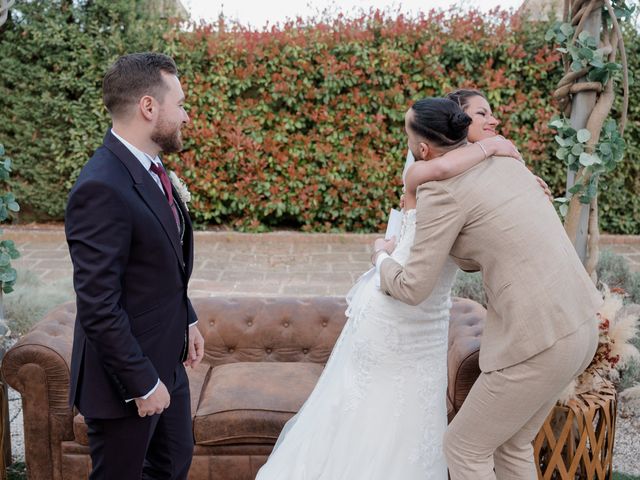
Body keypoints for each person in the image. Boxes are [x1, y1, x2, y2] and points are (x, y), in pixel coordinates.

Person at [255, 105, 522, 479]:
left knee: (412, 421)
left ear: (424, 147)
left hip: (426, 325)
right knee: (369, 418)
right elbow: (445, 168)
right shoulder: (423, 174)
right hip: (393, 318)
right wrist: (491, 148)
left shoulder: (460, 178)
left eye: (409, 137)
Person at [374, 97, 602, 480]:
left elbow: (413, 287)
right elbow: (479, 246)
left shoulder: (439, 189)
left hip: (540, 341)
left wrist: (381, 258)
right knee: (512, 447)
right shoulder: (506, 161)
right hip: (581, 325)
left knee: (463, 447)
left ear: (423, 149)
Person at [65, 52, 204, 480]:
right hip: (126, 381)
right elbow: (98, 305)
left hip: (168, 358)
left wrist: (188, 319)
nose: (186, 116)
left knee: (172, 464)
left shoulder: (151, 167)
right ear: (149, 107)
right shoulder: (100, 187)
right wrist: (142, 384)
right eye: (179, 104)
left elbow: (159, 261)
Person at [403, 89, 552, 203]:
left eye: (491, 115)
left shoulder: (503, 152)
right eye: (482, 114)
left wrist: (535, 193)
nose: (495, 121)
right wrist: (489, 146)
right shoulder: (436, 167)